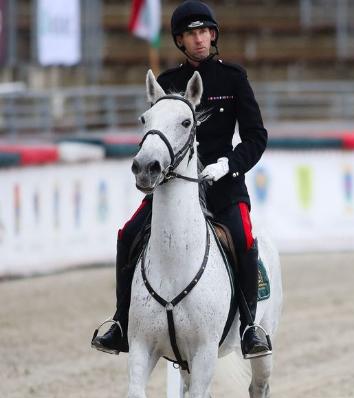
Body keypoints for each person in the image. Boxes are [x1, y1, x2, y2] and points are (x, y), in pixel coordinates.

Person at [91, 0, 272, 359]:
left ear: (213, 35)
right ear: (180, 40)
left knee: (244, 238)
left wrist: (229, 165)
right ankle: (121, 323)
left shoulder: (234, 79)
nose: (200, 40)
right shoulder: (168, 83)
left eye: (205, 32)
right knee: (127, 234)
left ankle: (250, 326)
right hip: (171, 190)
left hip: (222, 188)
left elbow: (256, 137)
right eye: (191, 34)